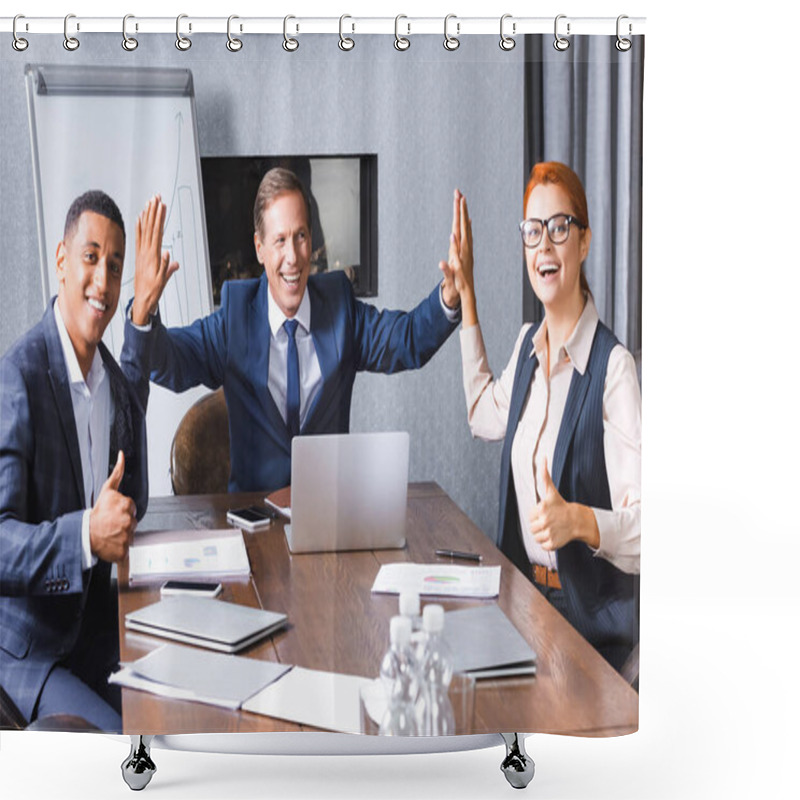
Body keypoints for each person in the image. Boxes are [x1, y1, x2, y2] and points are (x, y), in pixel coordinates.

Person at [125, 167, 461, 493]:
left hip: (328, 515)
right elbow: (170, 361)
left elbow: (408, 339)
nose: (292, 257)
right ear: (259, 248)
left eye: (300, 236)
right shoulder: (235, 317)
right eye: (280, 240)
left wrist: (449, 295)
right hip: (255, 519)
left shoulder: (339, 307)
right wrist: (143, 311)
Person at [442, 163, 640, 672]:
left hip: (589, 632)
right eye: (533, 231)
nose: (544, 245)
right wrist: (467, 296)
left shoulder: (613, 369)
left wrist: (580, 521)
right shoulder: (527, 349)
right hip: (523, 607)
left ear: (585, 242)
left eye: (559, 227)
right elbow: (484, 415)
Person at [0, 191, 176, 729]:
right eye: (91, 257)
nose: (103, 280)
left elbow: (132, 488)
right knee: (132, 757)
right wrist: (84, 536)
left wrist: (142, 313)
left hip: (101, 637)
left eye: (115, 266)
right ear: (61, 260)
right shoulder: (19, 377)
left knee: (179, 723)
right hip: (33, 655)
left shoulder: (113, 384)